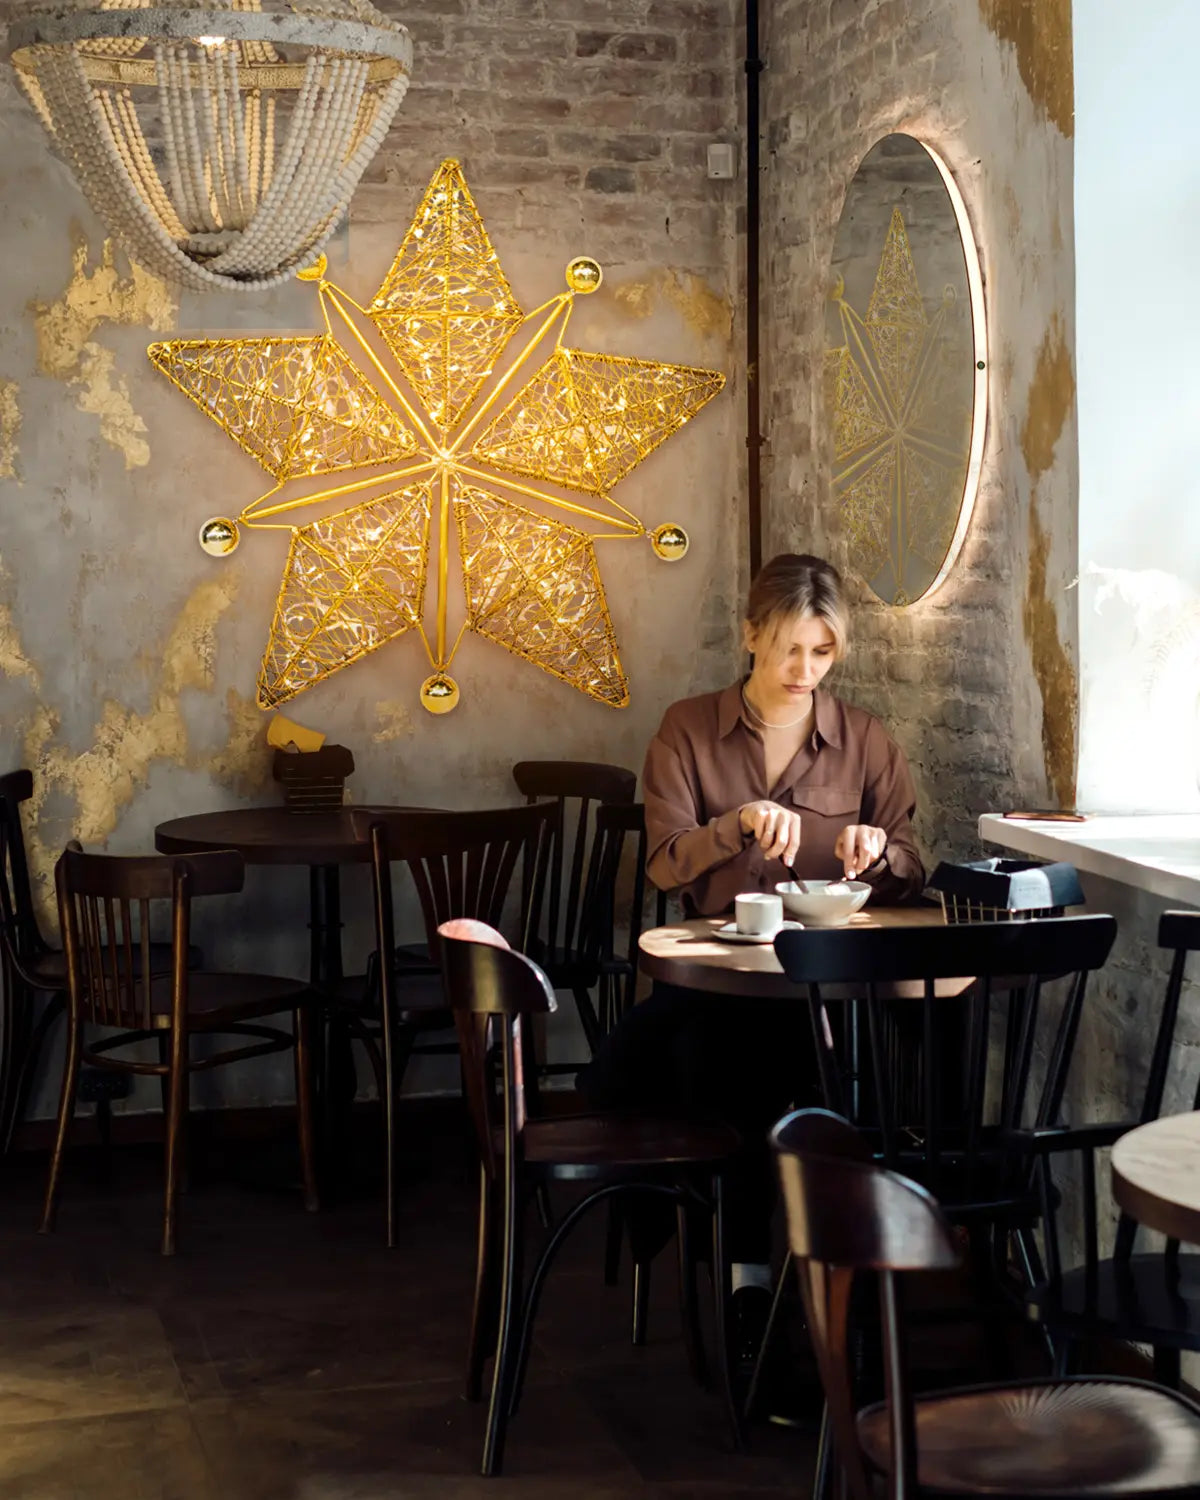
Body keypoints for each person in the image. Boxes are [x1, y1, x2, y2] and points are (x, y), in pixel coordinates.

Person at [578, 552, 925, 1383]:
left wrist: (878, 850)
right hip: (717, 986)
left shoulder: (866, 740)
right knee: (726, 1065)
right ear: (749, 637)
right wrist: (733, 826)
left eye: (822, 653)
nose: (804, 672)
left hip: (826, 986)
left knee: (866, 1074)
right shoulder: (687, 730)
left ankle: (841, 1287)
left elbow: (912, 857)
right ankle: (748, 1288)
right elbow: (664, 867)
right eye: (787, 651)